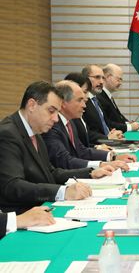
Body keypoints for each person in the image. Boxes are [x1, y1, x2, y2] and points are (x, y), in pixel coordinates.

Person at [0, 81, 114, 213]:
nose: (55, 119)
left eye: (57, 112)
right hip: (21, 216)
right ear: (32, 105)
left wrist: (90, 173)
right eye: (51, 111)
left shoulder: (34, 130)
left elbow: (51, 173)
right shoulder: (7, 134)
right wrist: (63, 192)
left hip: (41, 208)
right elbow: (13, 186)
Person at [42, 81, 134, 170]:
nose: (84, 105)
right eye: (79, 100)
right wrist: (101, 165)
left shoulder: (70, 122)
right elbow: (64, 161)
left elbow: (81, 150)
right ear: (63, 103)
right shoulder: (52, 125)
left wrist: (112, 157)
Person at [81, 65, 123, 144]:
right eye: (97, 77)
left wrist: (113, 133)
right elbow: (85, 134)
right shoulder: (83, 102)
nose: (101, 82)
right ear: (85, 79)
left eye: (103, 78)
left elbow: (104, 125)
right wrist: (107, 138)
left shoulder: (96, 100)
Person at [98, 64, 139, 133]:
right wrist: (129, 127)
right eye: (118, 79)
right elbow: (107, 122)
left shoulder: (107, 95)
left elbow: (117, 116)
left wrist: (127, 122)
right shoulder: (99, 96)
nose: (120, 83)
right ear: (108, 77)